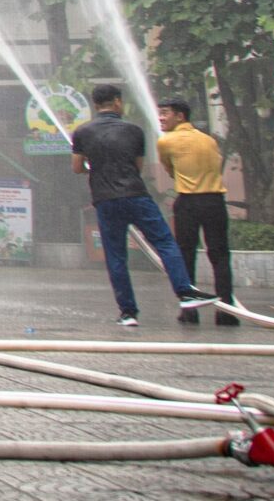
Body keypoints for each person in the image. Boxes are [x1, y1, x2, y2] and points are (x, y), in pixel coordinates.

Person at [69, 83, 215, 327]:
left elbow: (77, 168)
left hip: (105, 200)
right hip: (136, 196)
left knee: (116, 256)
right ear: (117, 102)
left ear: (95, 105)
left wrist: (93, 167)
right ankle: (184, 292)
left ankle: (128, 313)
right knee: (165, 242)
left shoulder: (82, 133)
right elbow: (137, 168)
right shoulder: (134, 131)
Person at [155, 98, 237, 327]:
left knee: (186, 256)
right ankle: (226, 311)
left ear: (180, 116)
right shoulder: (208, 140)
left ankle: (189, 312)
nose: (161, 118)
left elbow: (170, 170)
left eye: (165, 113)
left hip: (188, 203)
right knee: (220, 256)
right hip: (214, 201)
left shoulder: (166, 141)